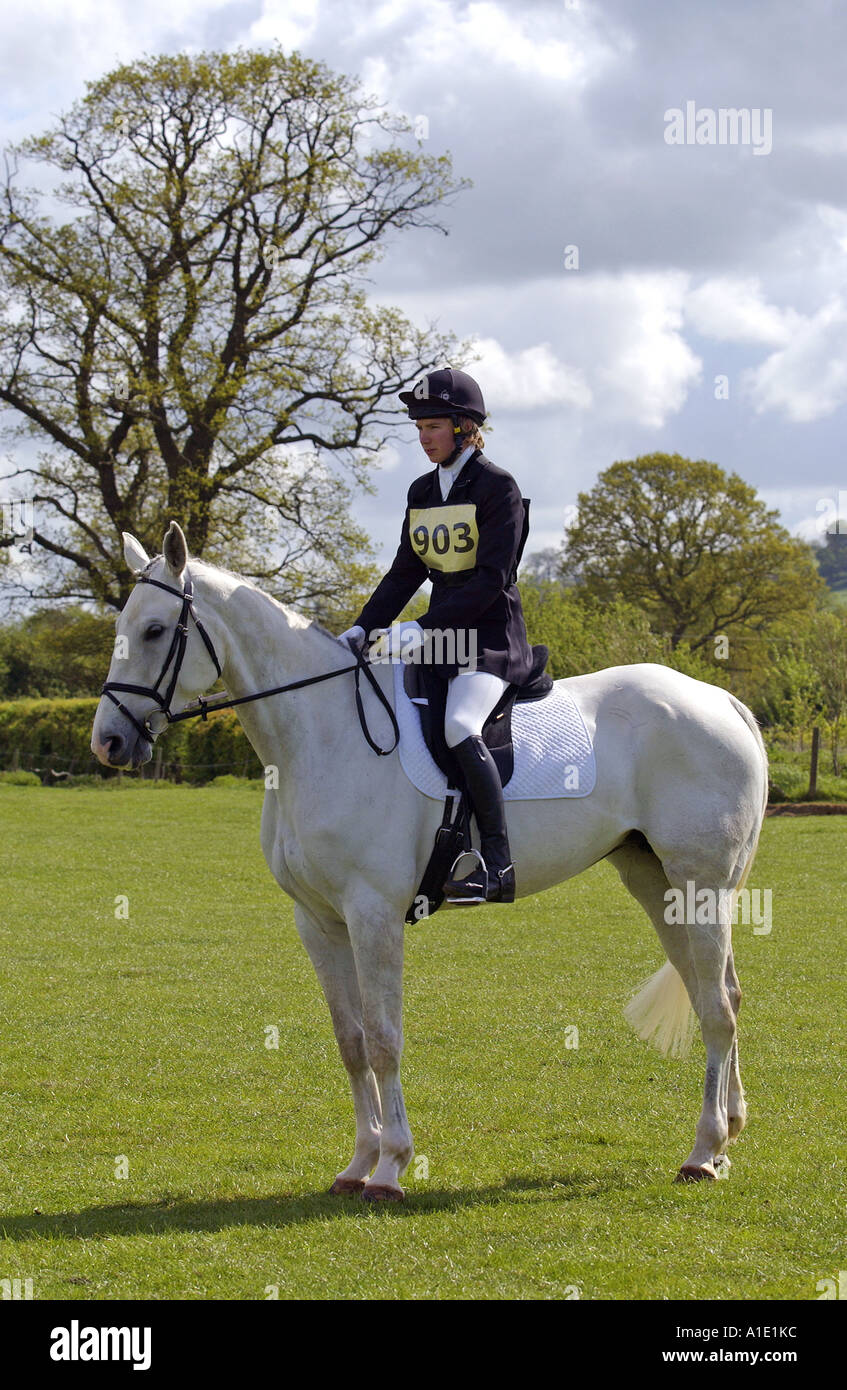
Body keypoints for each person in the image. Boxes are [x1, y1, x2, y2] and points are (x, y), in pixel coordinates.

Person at [338, 367, 534, 904]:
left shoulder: (498, 487)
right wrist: (362, 628)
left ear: (465, 427)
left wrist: (421, 628)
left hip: (489, 639)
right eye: (419, 427)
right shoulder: (422, 490)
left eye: (433, 425)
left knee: (457, 725)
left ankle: (498, 865)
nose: (423, 436)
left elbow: (493, 580)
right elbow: (406, 572)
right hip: (437, 640)